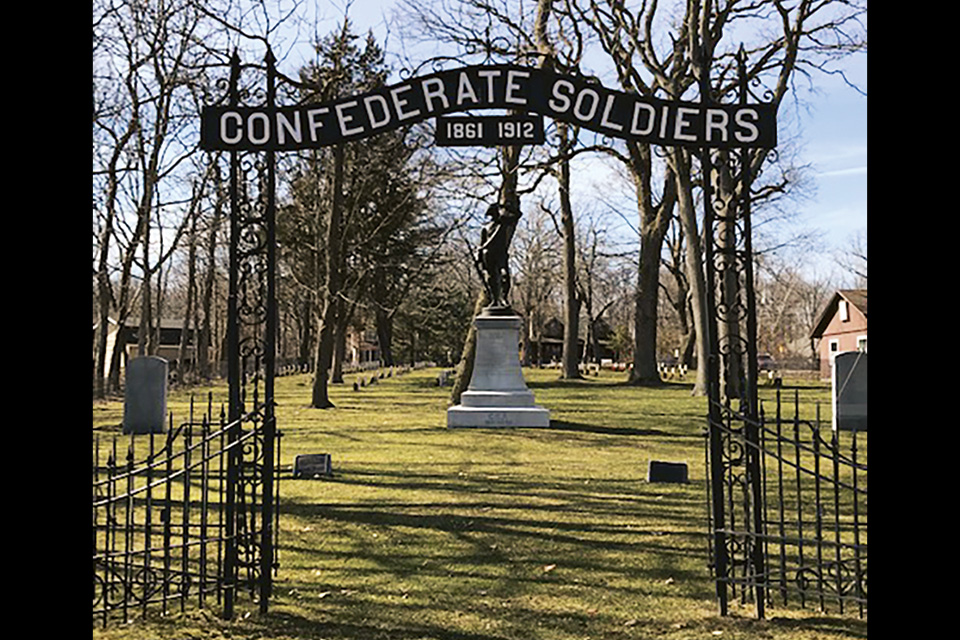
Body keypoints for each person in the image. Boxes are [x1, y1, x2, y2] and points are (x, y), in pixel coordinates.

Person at [477, 199, 522, 310]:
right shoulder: (485, 228)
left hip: (501, 254)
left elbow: (518, 215)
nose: (498, 212)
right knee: (491, 278)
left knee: (504, 275)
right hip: (488, 254)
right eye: (496, 210)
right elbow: (481, 244)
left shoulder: (504, 222)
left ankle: (503, 298)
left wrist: (506, 207)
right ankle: (494, 300)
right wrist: (479, 258)